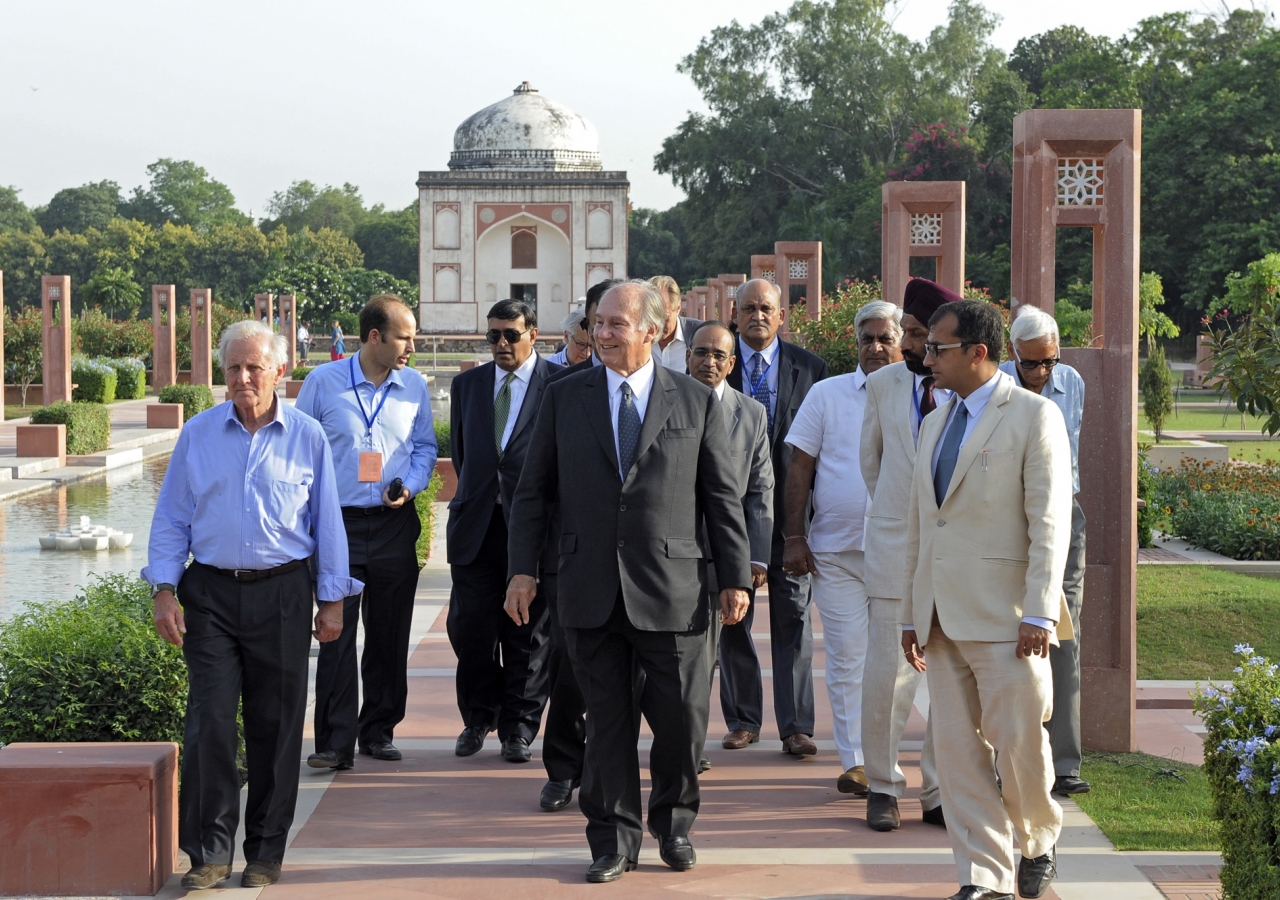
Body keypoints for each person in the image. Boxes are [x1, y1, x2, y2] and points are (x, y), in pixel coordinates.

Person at [505, 280, 751, 883]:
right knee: (606, 723)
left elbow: (720, 497)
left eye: (617, 324)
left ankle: (673, 826)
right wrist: (522, 570)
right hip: (587, 585)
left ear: (653, 330)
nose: (603, 334)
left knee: (682, 721)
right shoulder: (564, 397)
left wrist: (735, 577)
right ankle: (612, 840)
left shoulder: (695, 400)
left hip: (676, 589)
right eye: (598, 323)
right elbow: (533, 492)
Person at [144, 320, 360, 890]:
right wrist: (164, 589)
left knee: (277, 725)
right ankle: (210, 854)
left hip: (284, 593)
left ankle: (265, 851)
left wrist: (331, 601)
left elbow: (328, 525)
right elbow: (171, 517)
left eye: (254, 367)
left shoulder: (308, 435)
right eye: (233, 368)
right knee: (209, 721)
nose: (242, 377)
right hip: (210, 595)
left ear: (280, 371)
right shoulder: (198, 434)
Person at [901, 300, 1073, 900]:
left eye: (937, 350)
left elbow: (1049, 523)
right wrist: (909, 613)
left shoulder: (1033, 416)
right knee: (956, 755)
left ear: (977, 352)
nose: (926, 361)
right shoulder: (932, 421)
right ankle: (985, 875)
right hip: (941, 619)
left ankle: (1038, 839)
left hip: (1009, 618)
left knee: (1021, 742)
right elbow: (924, 527)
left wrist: (1039, 612)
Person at [295, 295, 437, 771]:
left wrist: (411, 487)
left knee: (390, 633)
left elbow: (423, 450)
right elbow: (299, 453)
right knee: (336, 631)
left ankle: (378, 730)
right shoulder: (323, 382)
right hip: (338, 526)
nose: (411, 347)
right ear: (374, 336)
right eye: (404, 337)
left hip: (396, 524)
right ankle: (335, 740)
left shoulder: (413, 386)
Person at [782, 301, 903, 796]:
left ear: (902, 342)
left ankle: (885, 758)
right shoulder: (826, 394)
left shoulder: (924, 393)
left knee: (894, 663)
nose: (874, 347)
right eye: (866, 339)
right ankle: (856, 762)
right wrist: (793, 536)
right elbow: (799, 469)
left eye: (884, 338)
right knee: (848, 657)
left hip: (900, 553)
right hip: (835, 551)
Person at [859, 277, 957, 832]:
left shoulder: (973, 387)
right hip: (896, 546)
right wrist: (904, 515)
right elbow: (871, 465)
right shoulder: (885, 386)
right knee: (887, 676)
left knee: (949, 675)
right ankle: (882, 785)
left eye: (921, 334)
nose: (910, 344)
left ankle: (939, 788)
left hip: (957, 558)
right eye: (910, 332)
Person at [721, 278, 828, 757]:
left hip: (791, 519)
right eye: (748, 308)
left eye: (766, 308)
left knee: (795, 620)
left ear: (782, 316)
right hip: (732, 518)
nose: (757, 316)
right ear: (734, 314)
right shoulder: (716, 367)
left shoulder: (811, 369)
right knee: (733, 620)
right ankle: (743, 719)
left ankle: (796, 726)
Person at [447, 299, 556, 763]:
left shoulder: (561, 384)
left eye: (511, 334)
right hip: (476, 527)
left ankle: (519, 728)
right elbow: (463, 457)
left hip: (530, 530)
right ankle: (478, 717)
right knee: (471, 630)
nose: (501, 344)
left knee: (526, 634)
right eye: (493, 336)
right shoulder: (467, 385)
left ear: (534, 333)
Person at [1001, 304, 1089, 798]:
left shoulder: (1072, 383)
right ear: (1013, 354)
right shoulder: (1000, 389)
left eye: (1048, 362)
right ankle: (1009, 756)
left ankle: (1066, 762)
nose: (1040, 373)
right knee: (1007, 633)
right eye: (1031, 363)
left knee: (1064, 629)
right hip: (1009, 519)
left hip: (1064, 517)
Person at [685, 322, 773, 770]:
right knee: (687, 657)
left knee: (734, 641)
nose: (709, 362)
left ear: (732, 363)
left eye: (719, 356)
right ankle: (689, 743)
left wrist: (755, 556)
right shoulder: (668, 403)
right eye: (701, 353)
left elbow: (759, 489)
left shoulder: (751, 414)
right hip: (677, 551)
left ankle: (744, 719)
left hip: (731, 550)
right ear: (687, 356)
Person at [650, 275, 703, 373]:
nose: (657, 326)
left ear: (678, 308)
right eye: (652, 319)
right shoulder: (637, 337)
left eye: (663, 319)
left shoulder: (700, 334)